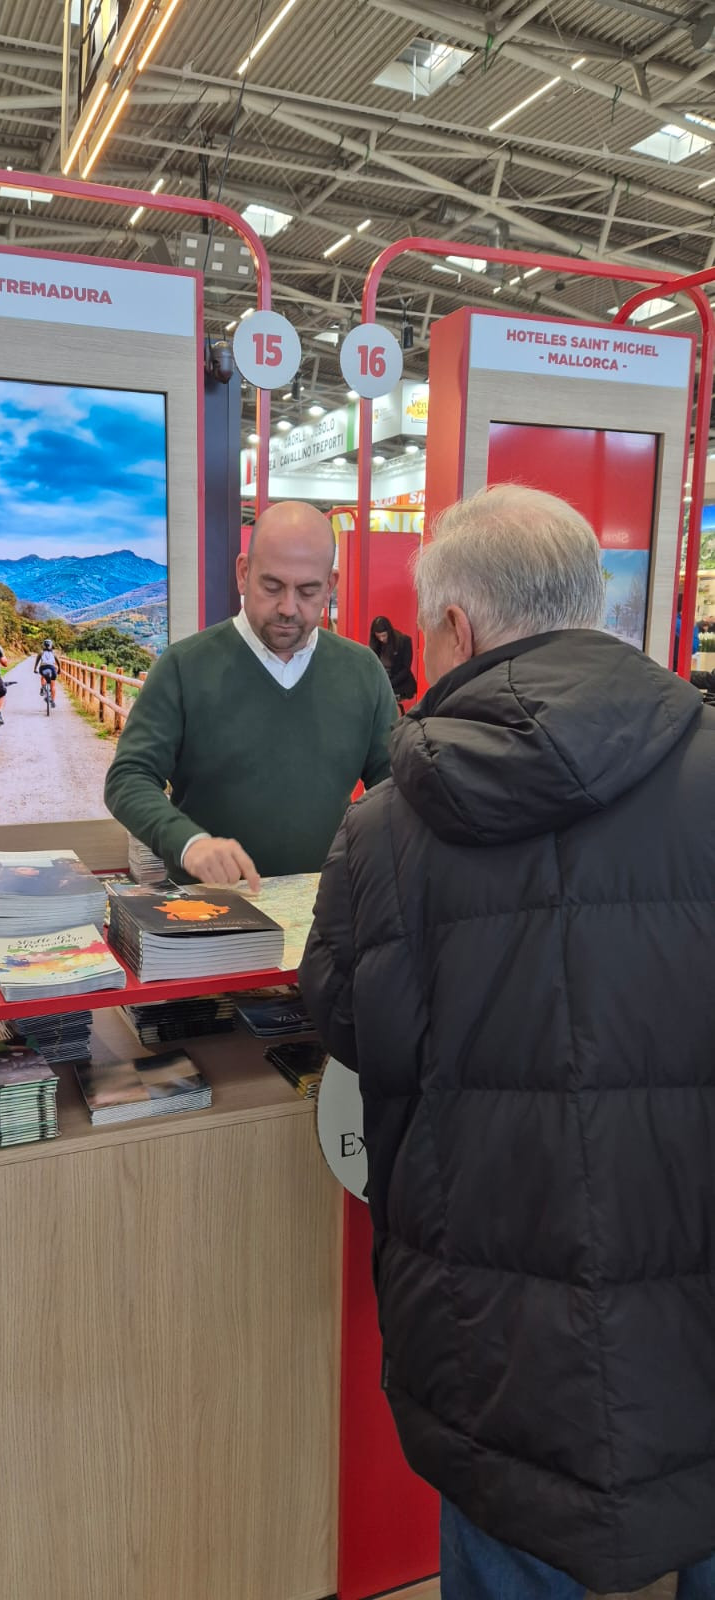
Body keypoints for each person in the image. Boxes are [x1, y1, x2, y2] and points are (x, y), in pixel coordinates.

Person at [299, 484, 715, 1600]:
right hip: (697, 1278)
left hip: (495, 1312)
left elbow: (344, 1018)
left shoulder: (387, 823)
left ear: (455, 630)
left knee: (511, 1535)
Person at [104, 500, 398, 886]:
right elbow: (129, 777)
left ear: (331, 585)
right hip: (209, 912)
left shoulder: (362, 671)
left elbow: (394, 785)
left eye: (308, 591)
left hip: (326, 910)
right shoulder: (184, 667)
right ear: (243, 574)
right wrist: (188, 842)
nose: (288, 608)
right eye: (272, 586)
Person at [369, 614, 416, 707]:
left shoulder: (403, 641)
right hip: (383, 682)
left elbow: (405, 670)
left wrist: (388, 683)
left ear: (389, 632)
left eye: (384, 635)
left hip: (399, 683)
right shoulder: (376, 644)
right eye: (378, 637)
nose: (381, 639)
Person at [34, 638, 60, 707]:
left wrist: (35, 669)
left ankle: (42, 687)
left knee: (43, 676)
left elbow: (37, 661)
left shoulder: (41, 653)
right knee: (53, 685)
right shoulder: (53, 653)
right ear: (51, 645)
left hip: (43, 668)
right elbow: (58, 662)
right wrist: (59, 669)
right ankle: (53, 701)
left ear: (44, 645)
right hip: (52, 668)